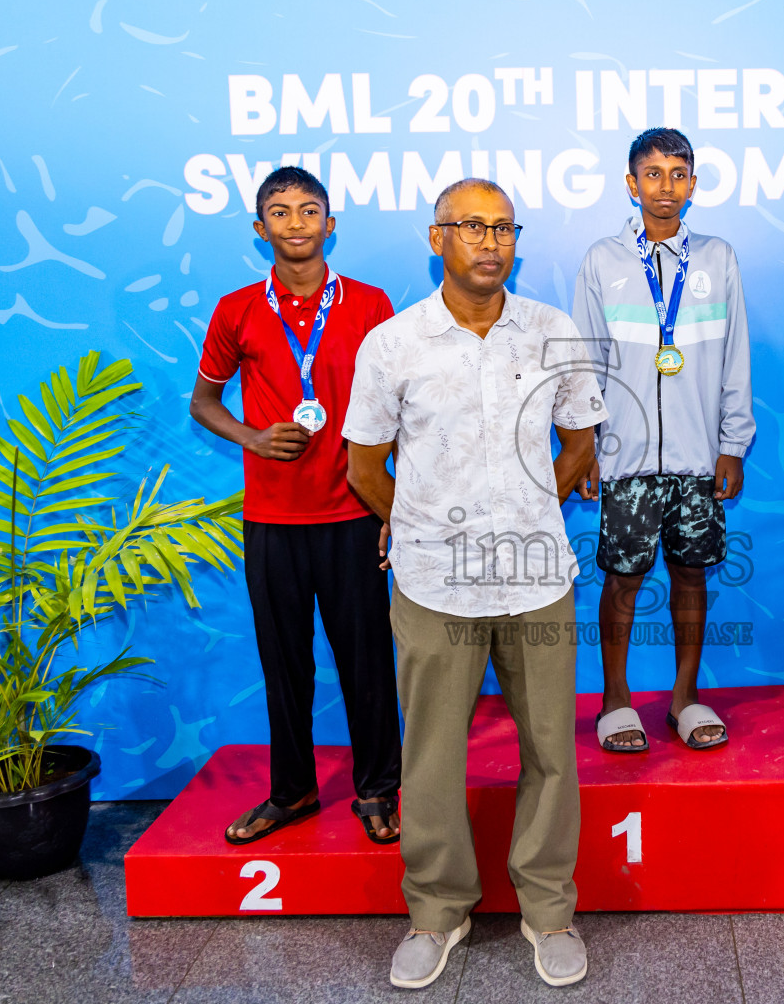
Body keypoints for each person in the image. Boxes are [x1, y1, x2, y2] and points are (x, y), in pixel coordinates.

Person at [343, 178, 606, 989]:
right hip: (432, 585)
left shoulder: (552, 332)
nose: (489, 242)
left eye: (503, 228)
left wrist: (532, 509)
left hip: (536, 580)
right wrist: (417, 524)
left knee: (551, 752)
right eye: (470, 227)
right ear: (437, 239)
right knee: (428, 758)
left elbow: (581, 441)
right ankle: (437, 911)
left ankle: (548, 910)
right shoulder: (393, 343)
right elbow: (361, 467)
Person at [190, 166, 402, 848]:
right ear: (260, 230)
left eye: (309, 210)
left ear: (330, 223)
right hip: (273, 520)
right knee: (285, 667)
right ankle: (293, 791)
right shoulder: (236, 310)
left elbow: (404, 407)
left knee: (367, 661)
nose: (296, 223)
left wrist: (394, 506)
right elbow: (203, 402)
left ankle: (378, 789)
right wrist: (252, 435)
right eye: (280, 213)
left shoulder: (371, 305)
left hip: (353, 514)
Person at [569, 127, 754, 754]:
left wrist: (732, 442)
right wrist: (586, 444)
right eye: (652, 174)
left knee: (692, 574)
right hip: (624, 458)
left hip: (699, 455)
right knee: (622, 578)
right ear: (631, 184)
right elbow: (586, 362)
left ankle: (683, 696)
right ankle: (615, 699)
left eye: (678, 174)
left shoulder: (718, 257)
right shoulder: (601, 260)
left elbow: (736, 358)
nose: (665, 186)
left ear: (694, 184)